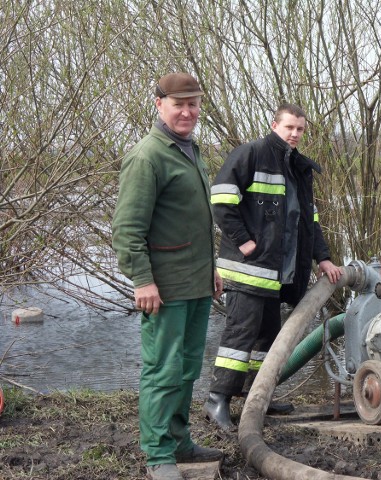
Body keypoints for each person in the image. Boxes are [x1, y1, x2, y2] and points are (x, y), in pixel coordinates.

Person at [112, 72, 224, 480]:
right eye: (179, 104)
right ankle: (158, 454)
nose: (187, 112)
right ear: (159, 104)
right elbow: (127, 229)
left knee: (189, 366)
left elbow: (194, 223)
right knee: (162, 369)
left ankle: (180, 440)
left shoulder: (190, 150)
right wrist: (142, 280)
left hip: (195, 284)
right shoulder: (148, 155)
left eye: (193, 104)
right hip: (164, 288)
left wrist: (212, 271)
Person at [205, 103, 342, 430]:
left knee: (267, 338)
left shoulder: (297, 168)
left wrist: (322, 257)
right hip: (247, 271)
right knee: (239, 337)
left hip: (275, 276)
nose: (294, 134)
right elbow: (221, 200)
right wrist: (243, 240)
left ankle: (257, 397)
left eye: (300, 129)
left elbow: (309, 222)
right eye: (289, 128)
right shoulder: (250, 154)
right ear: (274, 125)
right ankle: (217, 400)